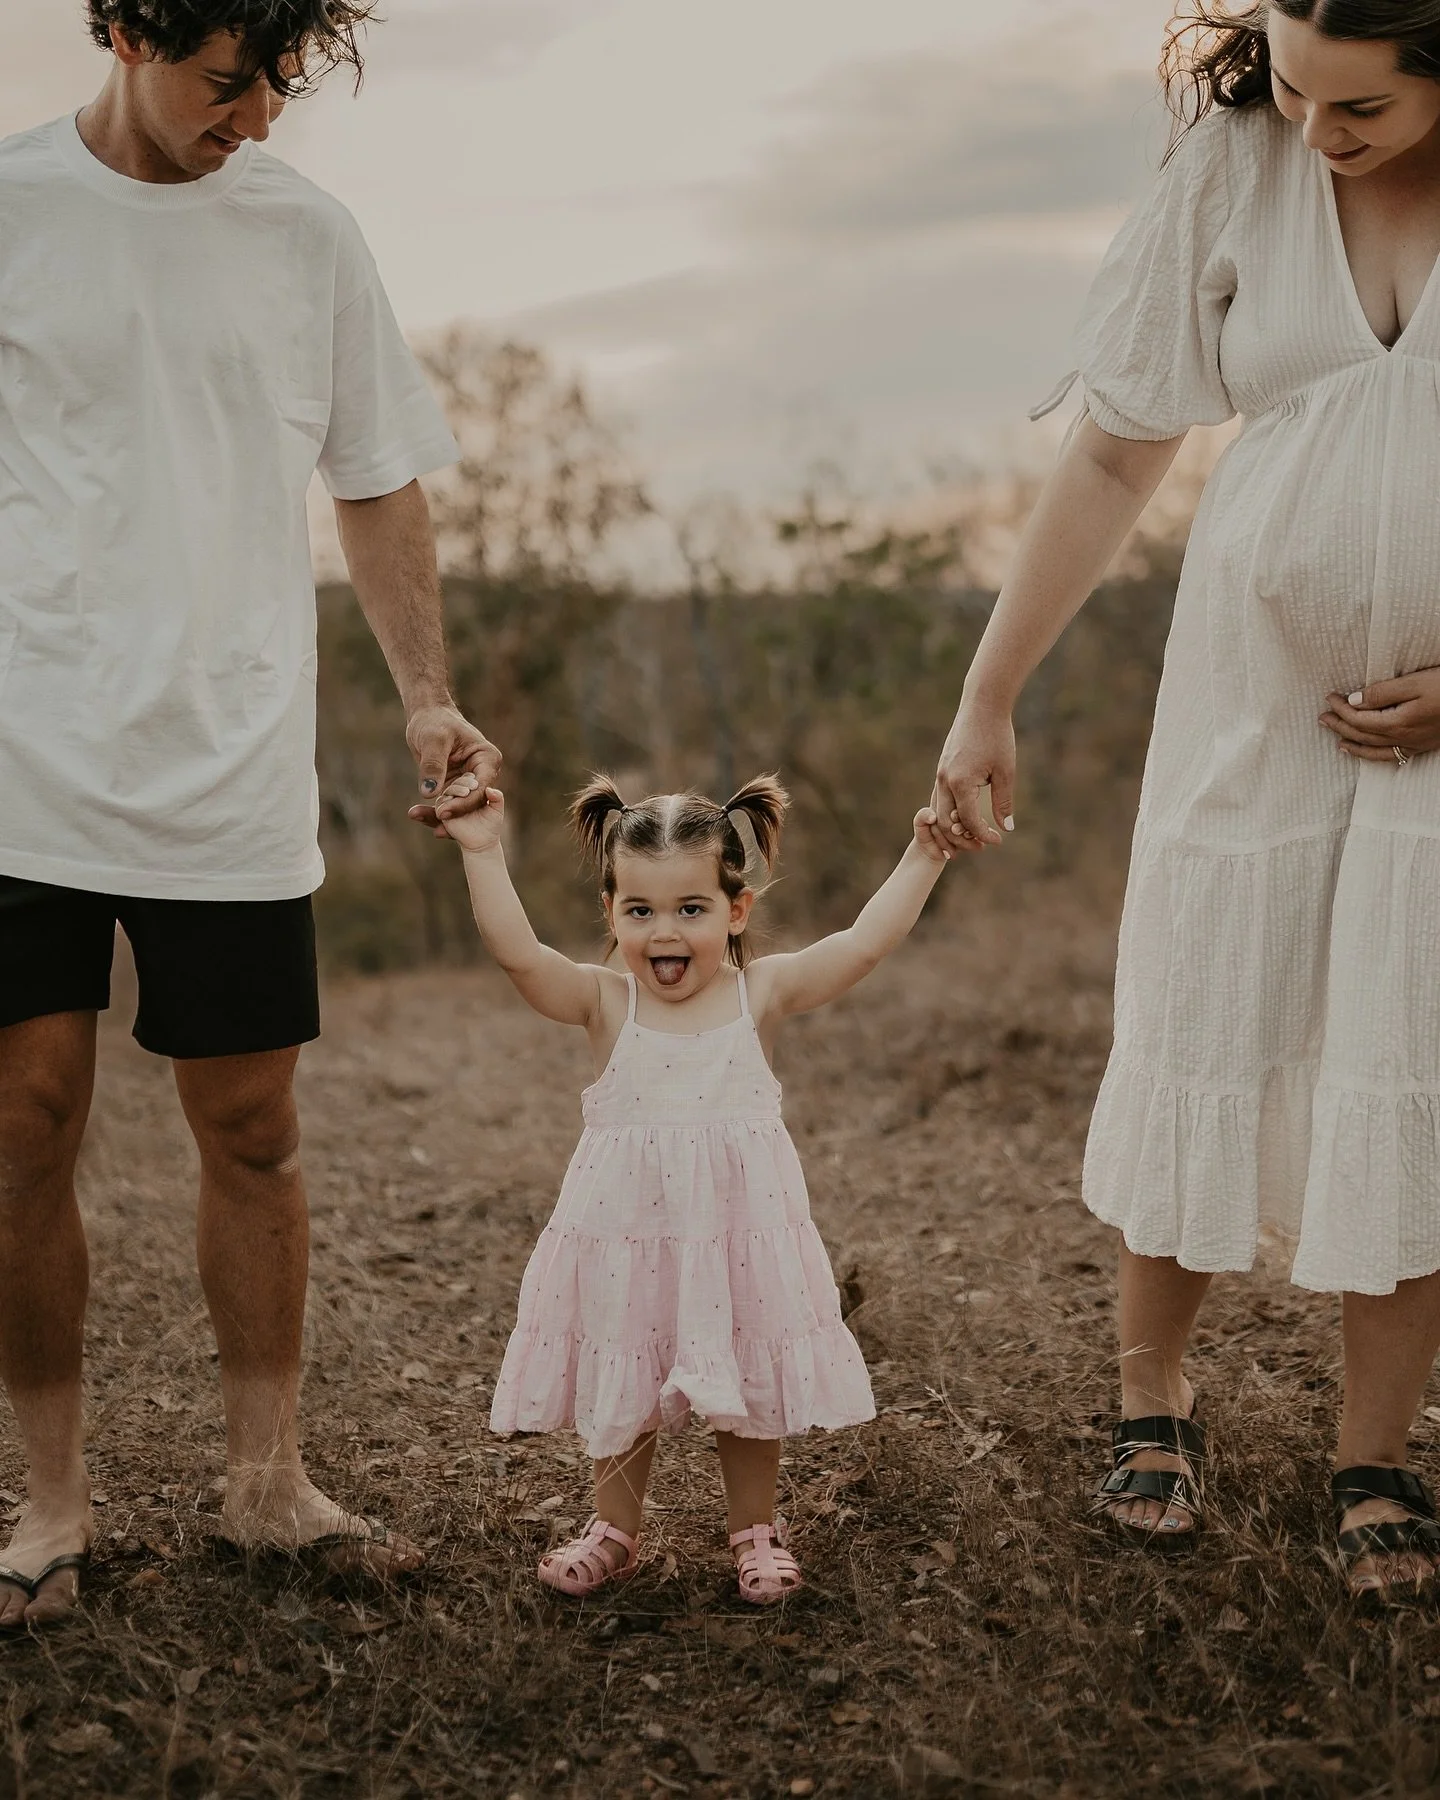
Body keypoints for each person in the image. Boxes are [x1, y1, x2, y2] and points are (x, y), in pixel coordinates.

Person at [0, 0, 498, 1629]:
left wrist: (427, 694)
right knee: (24, 1120)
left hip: (229, 768)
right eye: (231, 81)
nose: (260, 118)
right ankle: (51, 1510)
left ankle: (265, 1484)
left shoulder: (308, 238)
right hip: (23, 763)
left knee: (254, 1128)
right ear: (129, 27)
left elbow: (377, 476)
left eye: (279, 82)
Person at [935, 0, 1440, 1598]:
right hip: (1250, 701)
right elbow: (1113, 453)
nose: (1313, 131)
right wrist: (987, 690)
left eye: (1356, 110)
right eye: (1292, 86)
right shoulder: (1236, 162)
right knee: (1208, 1010)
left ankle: (1377, 1451)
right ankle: (1151, 1390)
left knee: (1410, 1049)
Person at [434, 768, 950, 1601]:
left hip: (736, 1237)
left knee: (744, 1373)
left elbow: (861, 943)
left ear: (735, 910)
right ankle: (613, 1528)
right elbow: (518, 956)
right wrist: (483, 852)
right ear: (611, 913)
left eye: (691, 908)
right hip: (624, 1237)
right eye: (639, 910)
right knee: (623, 1366)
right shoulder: (606, 1003)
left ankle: (754, 1529)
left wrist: (924, 856)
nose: (663, 931)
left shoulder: (762, 994)